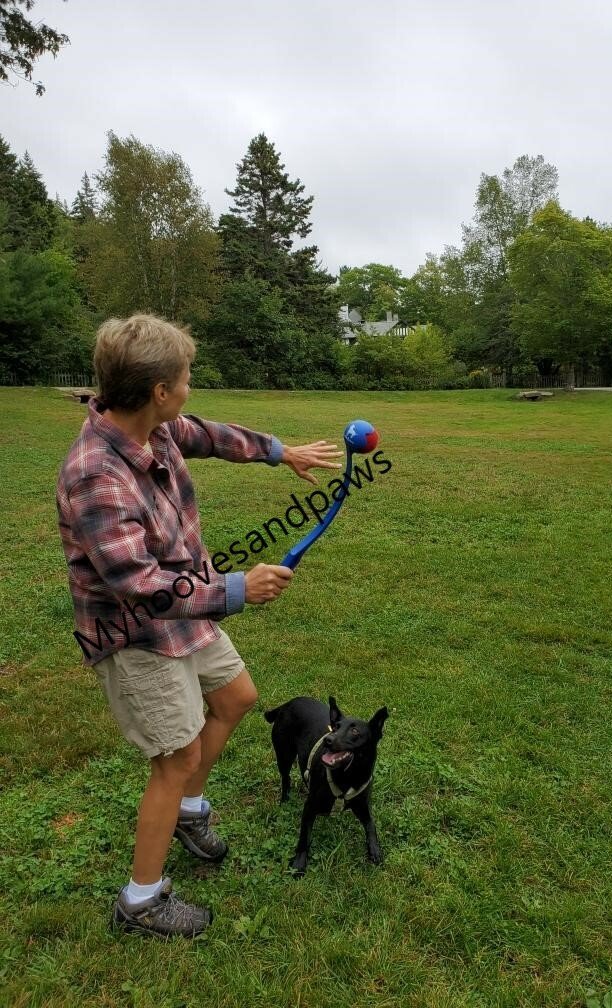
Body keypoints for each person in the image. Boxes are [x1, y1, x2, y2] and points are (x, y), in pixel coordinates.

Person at [56, 314, 342, 938]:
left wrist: (279, 451)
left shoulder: (151, 427)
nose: (190, 388)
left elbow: (206, 434)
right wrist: (239, 588)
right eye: (185, 378)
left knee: (237, 697)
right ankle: (140, 902)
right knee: (177, 754)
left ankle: (187, 814)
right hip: (134, 631)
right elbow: (141, 587)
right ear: (159, 389)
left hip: (188, 606)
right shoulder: (95, 476)